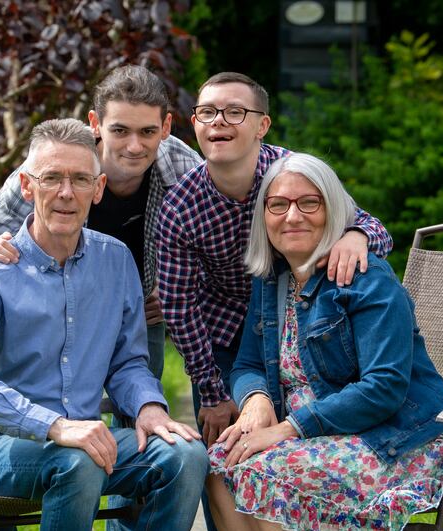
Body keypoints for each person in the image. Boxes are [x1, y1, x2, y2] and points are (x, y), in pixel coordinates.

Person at [0, 118, 208, 531]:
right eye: (52, 178)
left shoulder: (116, 261)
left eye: (81, 179)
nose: (66, 193)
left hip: (87, 442)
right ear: (27, 187)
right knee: (78, 461)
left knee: (185, 455)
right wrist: (55, 426)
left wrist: (148, 406)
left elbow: (128, 363)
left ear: (97, 190)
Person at [205, 152, 443, 531]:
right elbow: (248, 364)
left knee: (268, 476)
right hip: (313, 435)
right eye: (278, 204)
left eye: (309, 202)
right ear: (263, 216)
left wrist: (286, 429)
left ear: (332, 210)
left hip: (393, 438)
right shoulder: (272, 280)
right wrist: (256, 400)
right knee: (219, 463)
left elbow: (384, 387)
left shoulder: (368, 279)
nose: (292, 216)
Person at [156, 72, 393, 445]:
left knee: (292, 431)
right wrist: (210, 390)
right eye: (206, 112)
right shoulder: (180, 207)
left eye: (234, 111)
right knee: (222, 446)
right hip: (223, 327)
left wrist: (356, 235)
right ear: (195, 124)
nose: (218, 121)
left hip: (295, 317)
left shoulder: (292, 175)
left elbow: (374, 227)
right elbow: (179, 305)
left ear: (262, 125)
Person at [0, 64, 202, 382]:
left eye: (147, 132)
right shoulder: (55, 163)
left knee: (141, 400)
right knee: (58, 404)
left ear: (165, 127)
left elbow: (217, 247)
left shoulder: (183, 166)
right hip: (57, 307)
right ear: (96, 123)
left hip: (140, 313)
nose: (134, 146)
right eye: (120, 131)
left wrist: (178, 289)